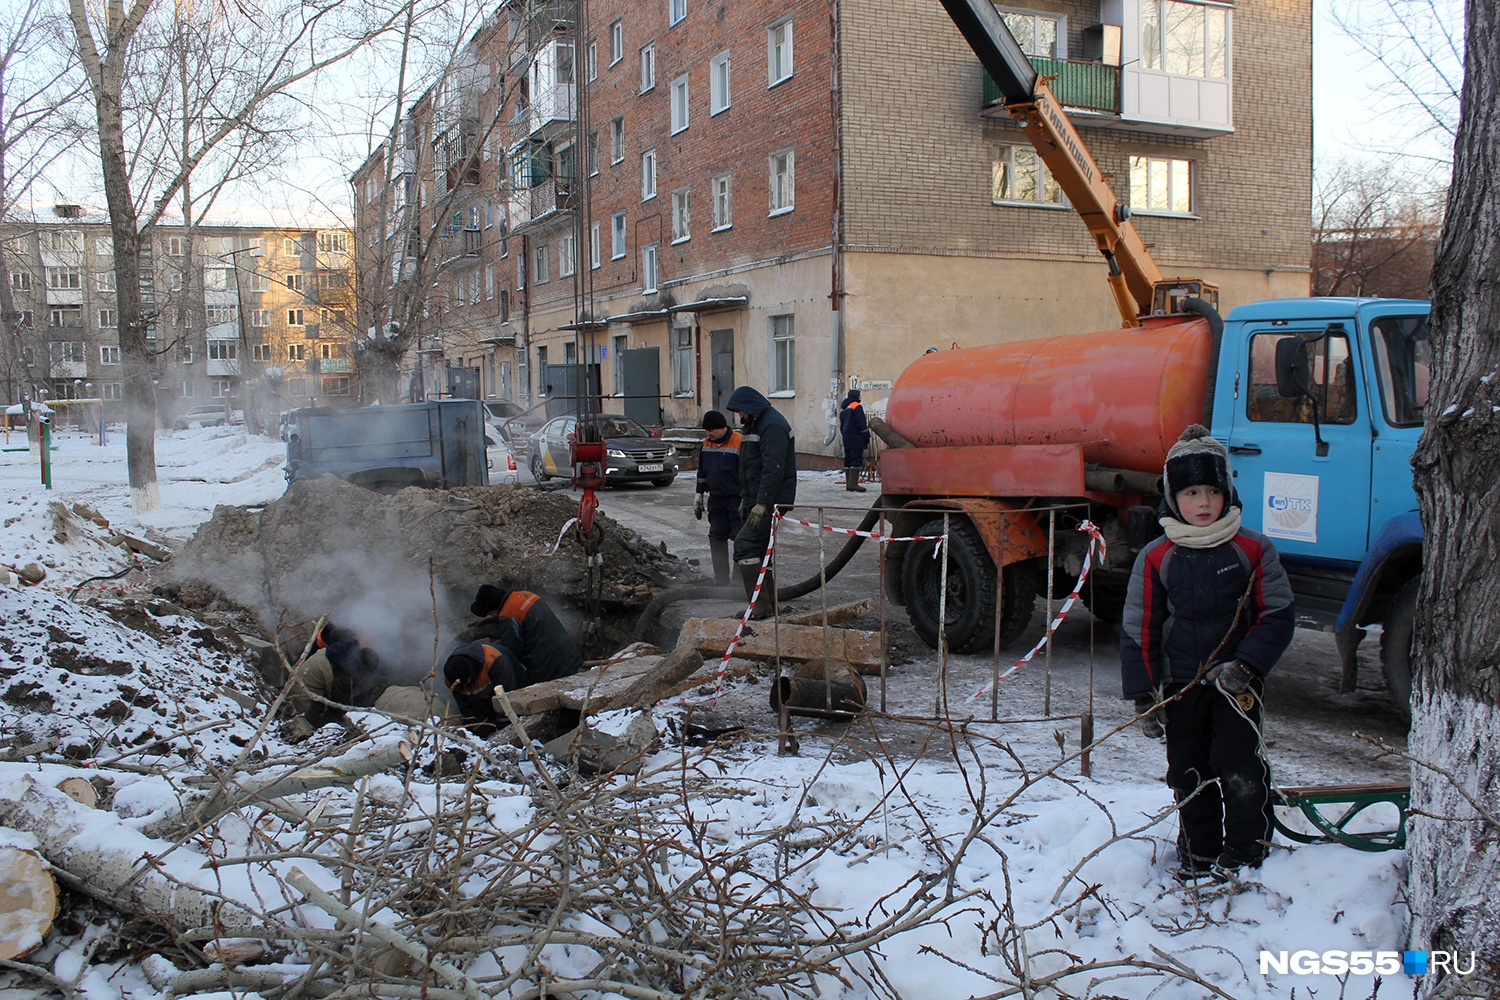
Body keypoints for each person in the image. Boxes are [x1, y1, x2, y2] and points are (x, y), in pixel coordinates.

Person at [1120, 424, 1295, 884]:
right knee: (1187, 772)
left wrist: (1247, 666)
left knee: (1241, 768)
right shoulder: (1158, 556)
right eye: (1191, 492)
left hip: (1236, 685)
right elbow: (1140, 627)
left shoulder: (1253, 548)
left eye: (1212, 492)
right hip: (1181, 687)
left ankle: (1245, 852)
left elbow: (1276, 613)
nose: (1202, 503)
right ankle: (1198, 855)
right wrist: (1145, 694)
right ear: (1173, 497)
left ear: (1228, 493)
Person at [285, 622, 431, 742]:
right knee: (328, 725)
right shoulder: (342, 674)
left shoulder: (348, 649)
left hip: (302, 680)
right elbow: (340, 704)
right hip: (302, 700)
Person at [725, 386, 797, 619]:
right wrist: (746, 500)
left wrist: (763, 504)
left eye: (741, 411)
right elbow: (750, 468)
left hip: (770, 501)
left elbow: (772, 469)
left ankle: (760, 606)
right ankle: (768, 605)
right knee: (760, 551)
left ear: (751, 406)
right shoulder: (756, 425)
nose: (740, 416)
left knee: (745, 545)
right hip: (756, 499)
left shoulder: (772, 426)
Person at [463, 584, 584, 681]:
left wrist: (493, 646)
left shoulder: (509, 616)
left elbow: (510, 650)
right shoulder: (523, 595)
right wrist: (498, 620)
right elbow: (522, 619)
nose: (492, 616)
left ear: (493, 608)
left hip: (551, 669)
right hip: (570, 656)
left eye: (490, 614)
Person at [694, 410, 742, 584]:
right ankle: (721, 580)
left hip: (736, 499)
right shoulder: (707, 443)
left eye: (711, 430)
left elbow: (747, 473)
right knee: (716, 535)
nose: (708, 434)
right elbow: (702, 471)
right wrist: (699, 494)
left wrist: (746, 499)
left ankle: (739, 581)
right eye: (706, 431)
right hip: (716, 499)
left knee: (740, 539)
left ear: (723, 428)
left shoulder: (739, 442)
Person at [442, 639, 527, 733]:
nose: (465, 687)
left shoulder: (494, 660)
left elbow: (507, 698)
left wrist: (503, 730)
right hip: (485, 704)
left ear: (471, 673)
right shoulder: (451, 679)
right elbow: (467, 709)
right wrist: (483, 732)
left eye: (466, 683)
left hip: (517, 694)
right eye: (461, 686)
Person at [838, 388, 870, 493]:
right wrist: (866, 436)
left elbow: (841, 426)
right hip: (856, 437)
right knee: (856, 458)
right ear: (856, 396)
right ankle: (853, 484)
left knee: (848, 459)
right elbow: (861, 423)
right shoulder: (857, 406)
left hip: (846, 437)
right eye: (859, 395)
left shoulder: (844, 408)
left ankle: (849, 483)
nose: (860, 397)